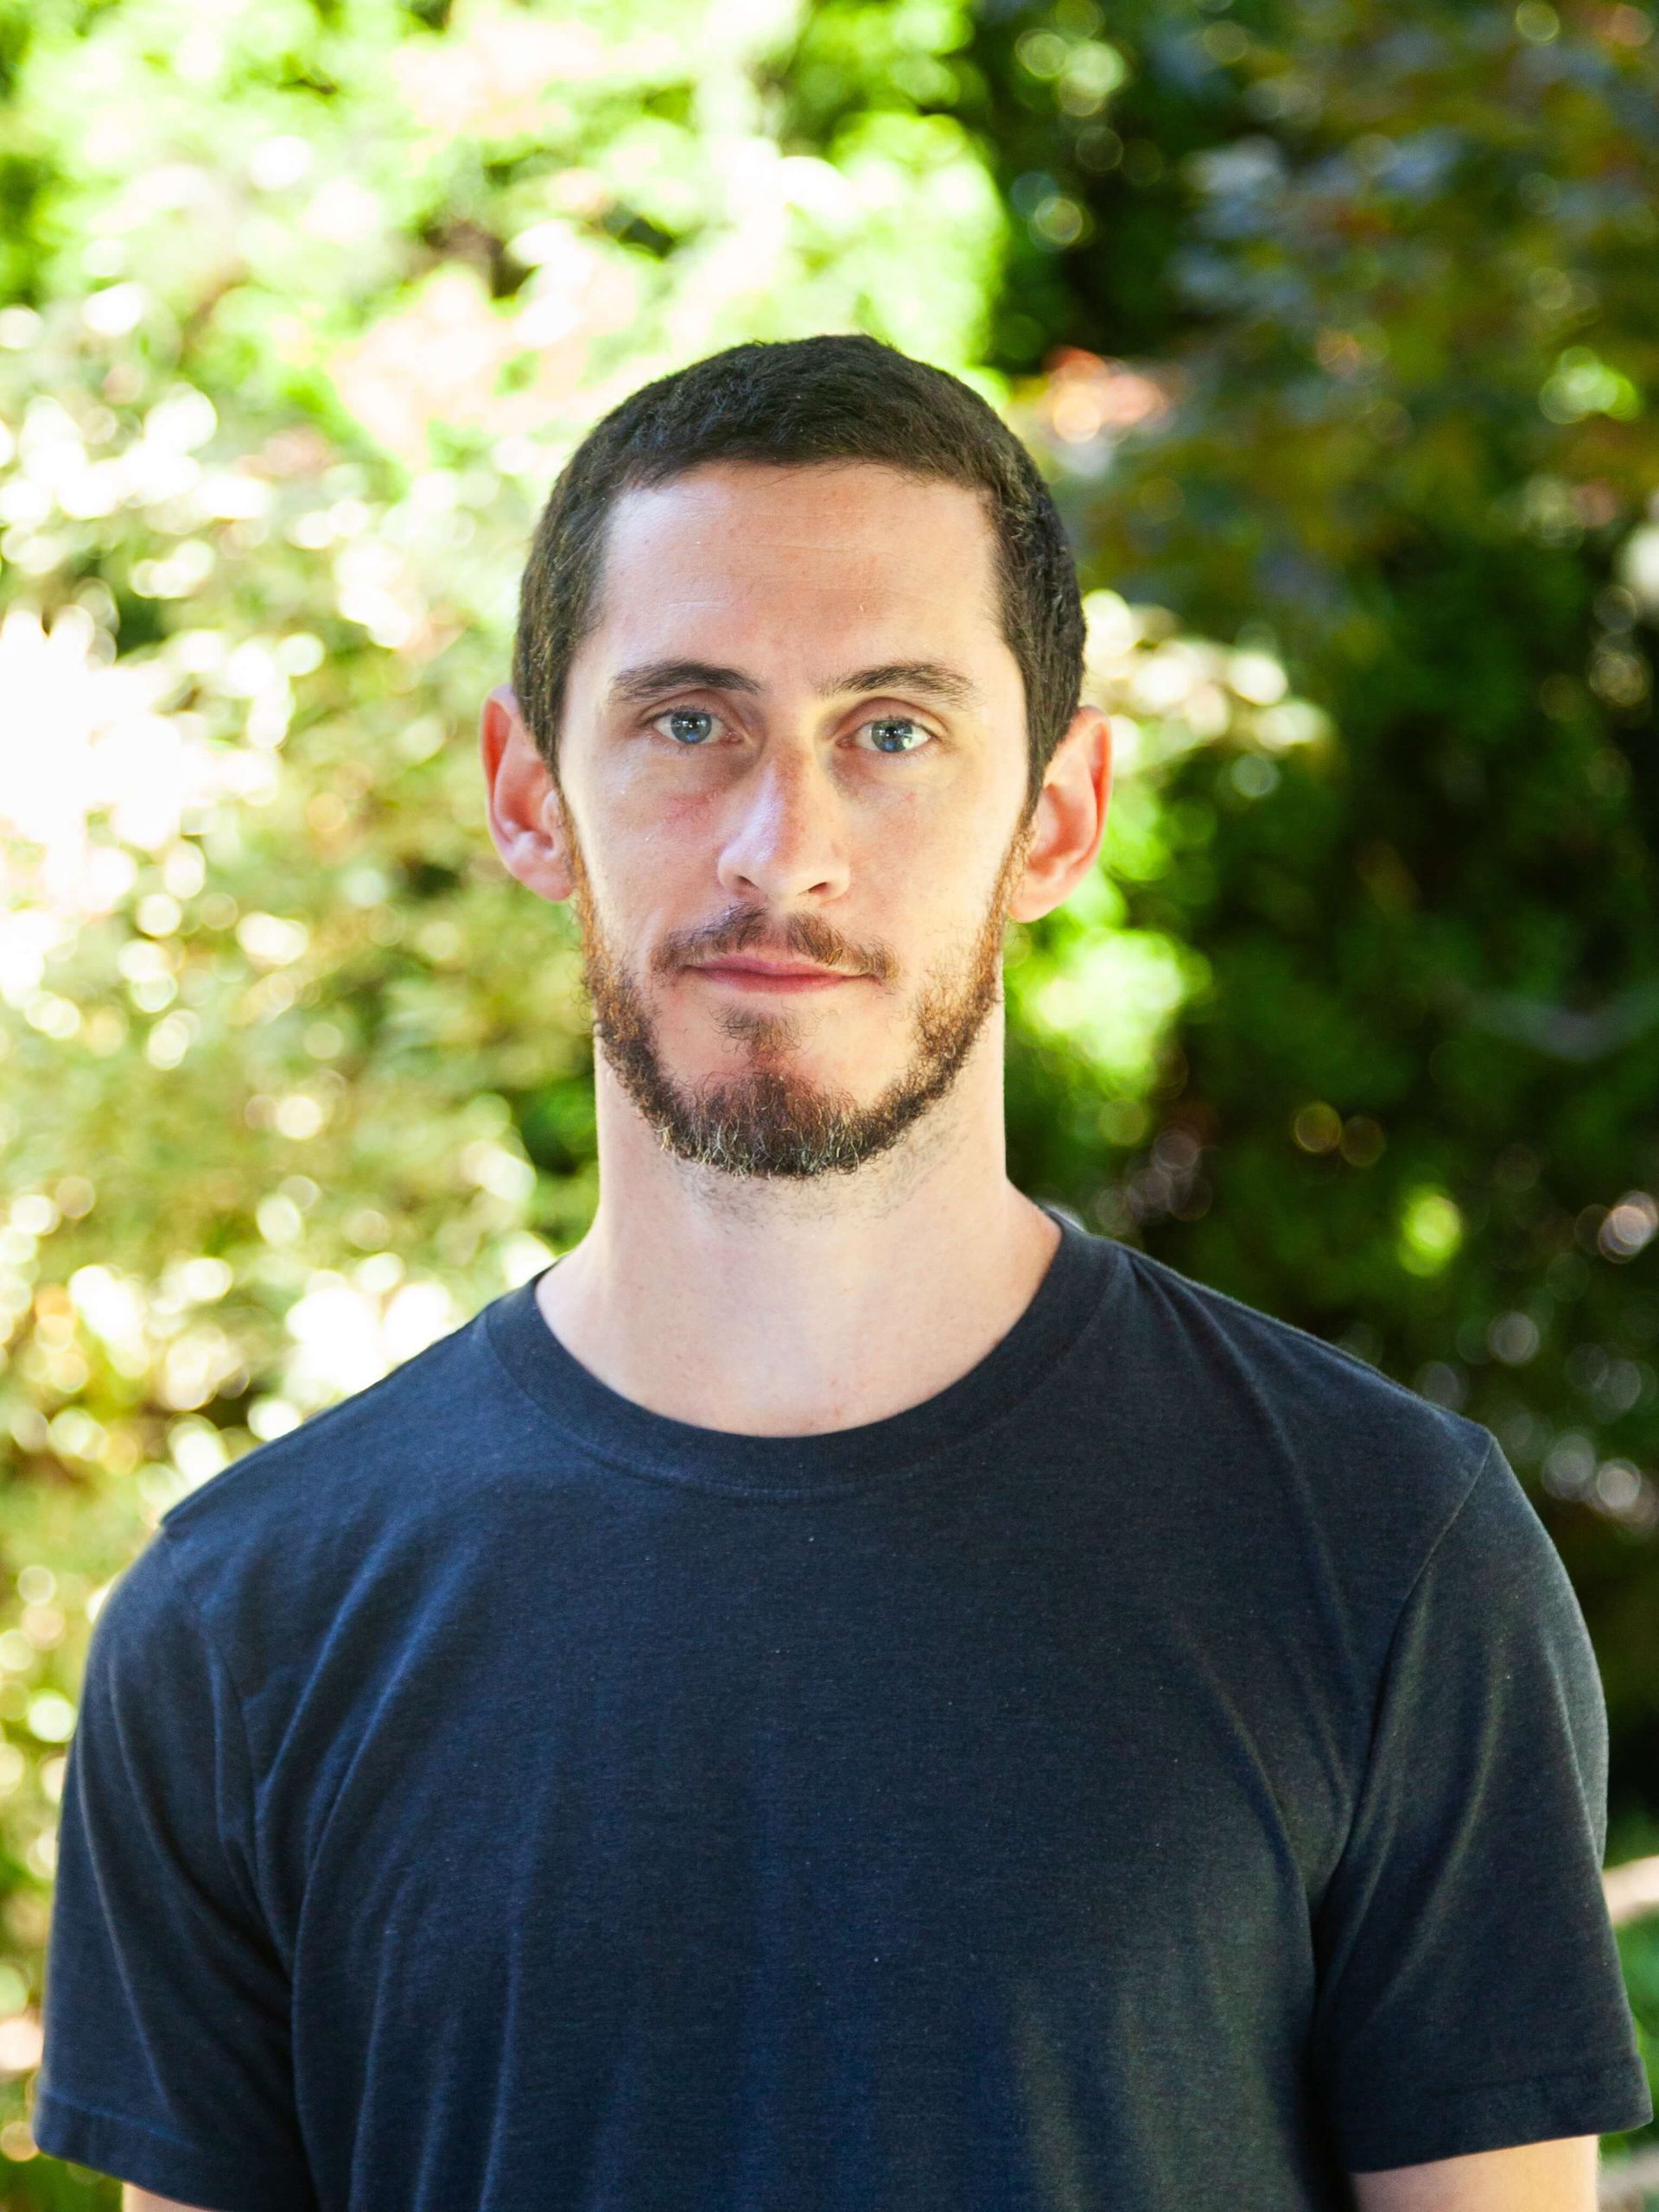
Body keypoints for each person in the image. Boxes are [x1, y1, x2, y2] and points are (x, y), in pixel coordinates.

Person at [34, 334, 1651, 2212]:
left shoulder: (1384, 1556)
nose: (779, 844)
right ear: (525, 790)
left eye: (894, 728)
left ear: (1056, 813)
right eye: (686, 720)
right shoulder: (244, 1622)